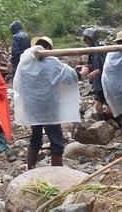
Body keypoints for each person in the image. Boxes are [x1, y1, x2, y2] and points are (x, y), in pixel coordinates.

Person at [14, 36, 82, 168]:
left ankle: (30, 167)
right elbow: (69, 78)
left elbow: (20, 84)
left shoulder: (25, 63)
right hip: (49, 108)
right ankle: (57, 171)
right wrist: (81, 73)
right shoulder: (52, 62)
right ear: (50, 48)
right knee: (56, 139)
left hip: (32, 107)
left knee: (35, 137)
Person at [81, 28, 110, 120]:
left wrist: (97, 71)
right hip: (97, 82)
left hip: (105, 81)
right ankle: (101, 124)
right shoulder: (91, 49)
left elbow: (108, 66)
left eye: (88, 39)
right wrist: (86, 67)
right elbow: (91, 63)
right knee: (98, 106)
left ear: (93, 38)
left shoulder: (101, 47)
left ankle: (117, 125)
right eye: (85, 39)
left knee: (109, 107)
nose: (87, 41)